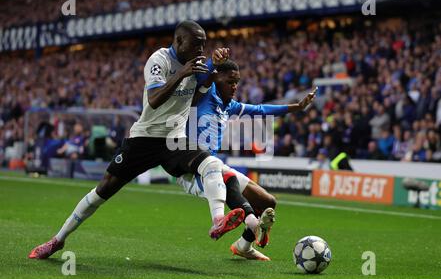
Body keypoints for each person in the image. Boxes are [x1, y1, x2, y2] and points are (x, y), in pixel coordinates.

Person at [29, 20, 242, 259]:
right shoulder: (159, 61)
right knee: (103, 191)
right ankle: (58, 240)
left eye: (204, 46)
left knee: (211, 164)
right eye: (196, 45)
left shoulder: (199, 66)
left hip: (174, 139)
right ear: (180, 41)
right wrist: (183, 74)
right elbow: (154, 99)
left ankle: (217, 220)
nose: (201, 51)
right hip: (145, 138)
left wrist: (207, 80)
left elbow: (190, 102)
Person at [177, 60, 316, 260]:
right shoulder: (203, 96)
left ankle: (243, 246)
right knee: (231, 182)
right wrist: (212, 62)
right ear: (217, 79)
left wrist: (297, 107)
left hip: (214, 166)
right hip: (192, 170)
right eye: (229, 81)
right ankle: (233, 221)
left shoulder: (230, 106)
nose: (234, 86)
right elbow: (201, 75)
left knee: (268, 201)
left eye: (237, 82)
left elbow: (261, 110)